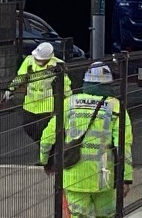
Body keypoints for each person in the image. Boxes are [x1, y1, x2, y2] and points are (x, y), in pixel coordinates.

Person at [39, 62, 133, 218]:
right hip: (104, 178)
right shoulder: (116, 107)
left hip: (74, 176)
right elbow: (124, 145)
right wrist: (126, 178)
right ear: (108, 84)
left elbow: (48, 137)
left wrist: (45, 162)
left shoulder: (69, 103)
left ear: (86, 83)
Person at [4, 41, 72, 144]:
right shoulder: (29, 61)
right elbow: (21, 77)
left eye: (40, 59)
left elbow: (65, 84)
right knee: (28, 127)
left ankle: (45, 148)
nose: (37, 60)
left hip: (46, 106)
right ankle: (42, 145)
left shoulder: (57, 65)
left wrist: (69, 99)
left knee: (43, 131)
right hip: (29, 103)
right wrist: (11, 89)